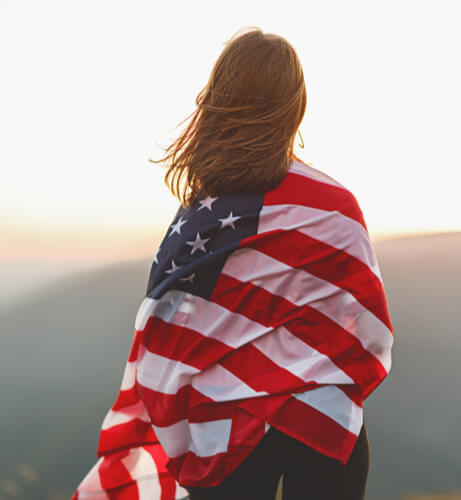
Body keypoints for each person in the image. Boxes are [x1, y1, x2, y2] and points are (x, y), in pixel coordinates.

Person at [73, 27, 393, 500]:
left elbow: (165, 331)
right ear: (294, 107)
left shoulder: (200, 219)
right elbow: (368, 328)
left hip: (221, 434)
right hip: (322, 422)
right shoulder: (334, 206)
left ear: (220, 101)